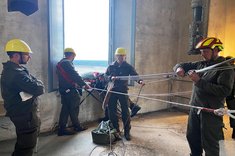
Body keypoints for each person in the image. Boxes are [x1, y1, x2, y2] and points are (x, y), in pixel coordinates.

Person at [173, 37, 234, 156]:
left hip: (211, 112)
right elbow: (182, 65)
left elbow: (224, 91)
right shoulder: (202, 64)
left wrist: (199, 81)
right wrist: (179, 68)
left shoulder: (226, 68)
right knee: (192, 137)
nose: (202, 55)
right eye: (201, 52)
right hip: (195, 108)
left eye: (205, 51)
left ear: (216, 50)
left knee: (210, 142)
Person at [1, 39, 45, 156]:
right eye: (26, 55)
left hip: (24, 113)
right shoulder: (16, 74)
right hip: (24, 114)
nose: (29, 57)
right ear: (16, 55)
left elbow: (35, 83)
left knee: (24, 142)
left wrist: (35, 84)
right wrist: (37, 85)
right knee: (26, 145)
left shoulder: (18, 69)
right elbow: (39, 89)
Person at [105, 47, 144, 141]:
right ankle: (116, 130)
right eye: (119, 56)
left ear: (125, 56)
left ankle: (127, 131)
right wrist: (111, 77)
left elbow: (135, 75)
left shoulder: (128, 67)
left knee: (125, 112)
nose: (120, 57)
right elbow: (105, 76)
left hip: (122, 91)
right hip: (112, 91)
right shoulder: (111, 66)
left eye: (122, 56)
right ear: (116, 56)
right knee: (112, 111)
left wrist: (140, 81)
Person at [56, 47, 91, 136]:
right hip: (70, 90)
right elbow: (74, 74)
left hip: (64, 90)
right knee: (74, 108)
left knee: (65, 109)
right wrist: (84, 84)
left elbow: (68, 76)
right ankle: (77, 126)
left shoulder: (61, 63)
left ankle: (62, 128)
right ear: (72, 55)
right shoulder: (67, 63)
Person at [225, 56, 235, 139]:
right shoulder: (226, 71)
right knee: (232, 113)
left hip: (230, 96)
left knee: (232, 113)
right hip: (230, 96)